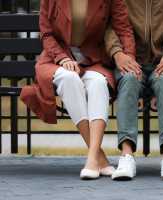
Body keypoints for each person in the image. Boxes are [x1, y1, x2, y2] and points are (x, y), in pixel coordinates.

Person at [20, 0, 135, 180]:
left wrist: (129, 59)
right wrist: (61, 58)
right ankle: (97, 158)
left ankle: (93, 157)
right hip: (56, 58)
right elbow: (46, 33)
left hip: (93, 59)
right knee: (69, 78)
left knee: (98, 82)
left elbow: (123, 28)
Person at [105, 0, 163, 181]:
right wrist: (117, 53)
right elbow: (108, 26)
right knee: (129, 80)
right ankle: (126, 156)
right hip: (130, 61)